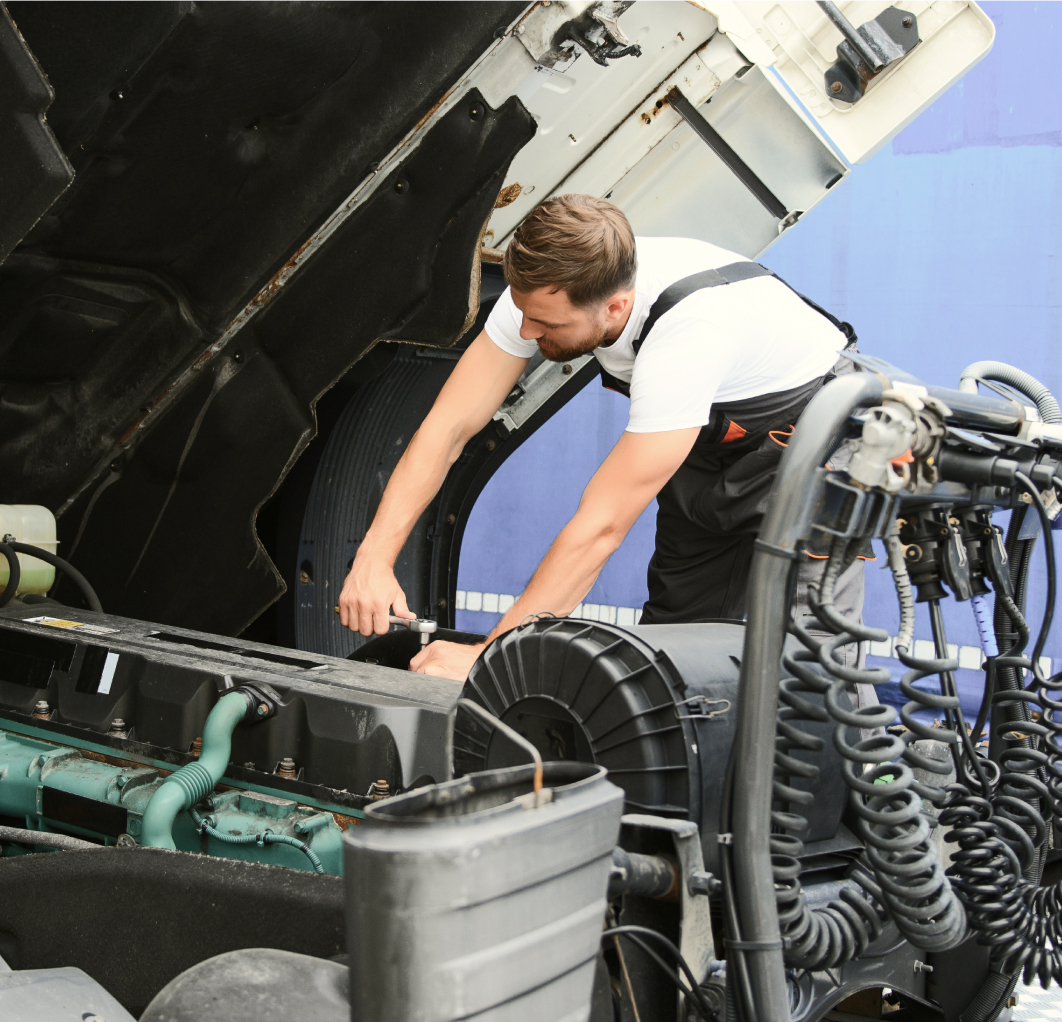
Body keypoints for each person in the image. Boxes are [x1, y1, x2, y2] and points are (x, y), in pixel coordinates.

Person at [337, 194, 866, 680]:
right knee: (672, 653)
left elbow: (602, 525)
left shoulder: (689, 332)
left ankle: (858, 783)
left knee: (812, 667)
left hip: (813, 444)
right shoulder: (545, 293)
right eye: (524, 314)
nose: (525, 332)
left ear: (614, 308)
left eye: (546, 323)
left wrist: (488, 659)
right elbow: (447, 429)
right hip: (711, 446)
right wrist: (374, 559)